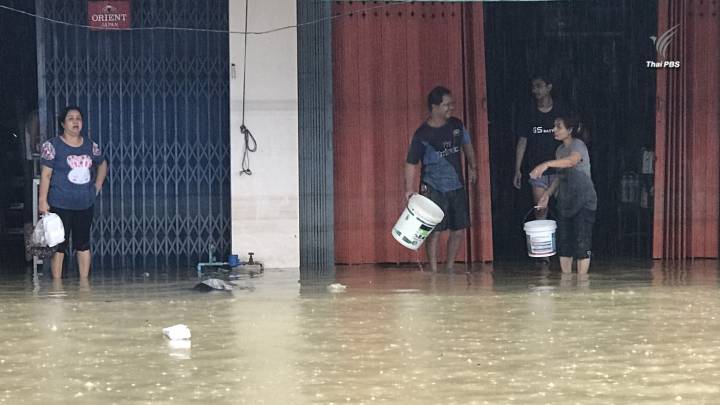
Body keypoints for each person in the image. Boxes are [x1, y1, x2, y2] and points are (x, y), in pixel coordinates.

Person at [405, 86, 477, 272]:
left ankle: (450, 268)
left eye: (451, 104)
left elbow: (467, 145)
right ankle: (434, 271)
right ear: (434, 107)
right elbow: (411, 162)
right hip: (432, 187)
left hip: (456, 185)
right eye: (446, 105)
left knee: (459, 230)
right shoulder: (422, 134)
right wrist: (408, 189)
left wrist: (473, 167)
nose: (451, 108)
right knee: (433, 232)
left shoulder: (457, 125)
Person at [39, 106, 108, 280]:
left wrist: (97, 186)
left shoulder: (90, 146)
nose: (76, 121)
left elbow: (102, 164)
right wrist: (42, 200)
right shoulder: (52, 146)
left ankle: (84, 283)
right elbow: (46, 175)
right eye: (71, 118)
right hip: (60, 202)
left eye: (78, 118)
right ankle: (57, 283)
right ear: (63, 123)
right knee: (59, 245)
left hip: (84, 203)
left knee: (83, 244)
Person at [530, 115, 596, 275]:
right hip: (566, 202)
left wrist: (545, 164)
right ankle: (565, 283)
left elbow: (572, 162)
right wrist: (547, 194)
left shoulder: (578, 145)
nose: (554, 130)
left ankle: (582, 284)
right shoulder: (559, 150)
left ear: (570, 130)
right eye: (554, 126)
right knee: (565, 245)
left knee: (582, 243)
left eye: (558, 126)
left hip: (584, 201)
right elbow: (561, 176)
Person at [513, 74, 567, 221]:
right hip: (537, 170)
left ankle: (563, 242)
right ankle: (543, 243)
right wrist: (517, 169)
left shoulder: (561, 110)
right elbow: (522, 141)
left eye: (539, 86)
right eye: (533, 87)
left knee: (565, 210)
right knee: (540, 209)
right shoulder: (529, 112)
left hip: (561, 169)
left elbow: (571, 139)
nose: (535, 90)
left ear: (549, 87)